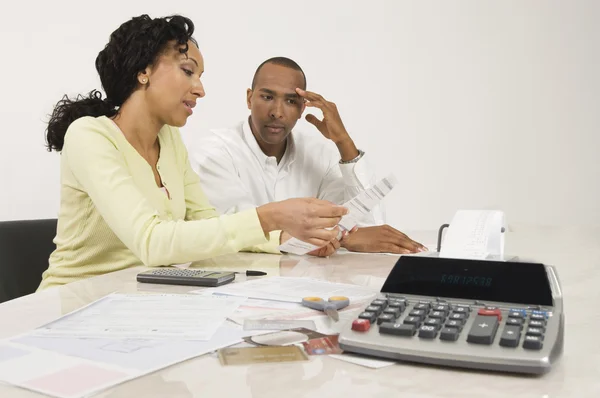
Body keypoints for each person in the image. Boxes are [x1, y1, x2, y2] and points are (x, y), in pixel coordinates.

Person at [38, 16, 346, 290]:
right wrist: (270, 216)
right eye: (188, 71)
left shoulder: (169, 139)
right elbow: (152, 242)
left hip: (138, 300)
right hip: (71, 304)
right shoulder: (90, 136)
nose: (200, 89)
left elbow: (207, 222)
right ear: (143, 71)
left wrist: (284, 239)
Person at [189, 57, 426, 254]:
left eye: (291, 101)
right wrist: (340, 238)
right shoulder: (215, 152)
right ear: (249, 98)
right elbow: (235, 227)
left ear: (303, 108)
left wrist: (344, 142)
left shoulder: (319, 154)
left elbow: (368, 227)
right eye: (267, 97)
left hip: (309, 288)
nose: (277, 112)